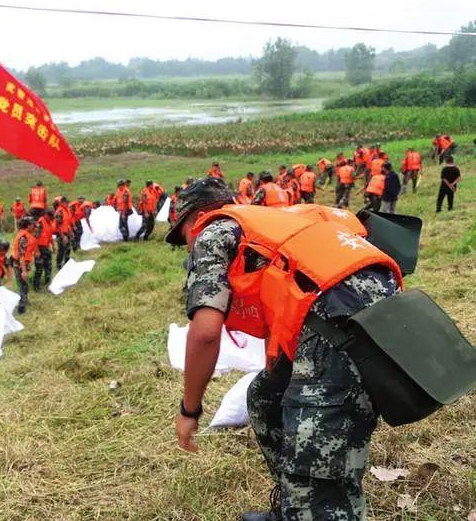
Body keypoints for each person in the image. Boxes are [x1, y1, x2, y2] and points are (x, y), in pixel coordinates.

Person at [166, 178, 400, 521]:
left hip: (338, 325)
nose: (187, 244)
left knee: (318, 467)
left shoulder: (215, 231)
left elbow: (204, 333)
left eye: (183, 231)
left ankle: (313, 504)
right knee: (266, 395)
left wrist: (189, 411)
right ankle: (294, 504)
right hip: (367, 311)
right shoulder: (271, 224)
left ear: (198, 215)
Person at [11, 216, 38, 313]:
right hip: (19, 264)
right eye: (32, 224)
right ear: (28, 226)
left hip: (22, 263)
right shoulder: (23, 237)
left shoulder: (26, 234)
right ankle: (21, 307)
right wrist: (23, 271)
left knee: (24, 285)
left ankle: (24, 301)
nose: (33, 226)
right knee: (23, 286)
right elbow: (21, 255)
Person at [33, 209, 56, 291]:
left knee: (48, 265)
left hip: (46, 247)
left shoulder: (49, 222)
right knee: (39, 268)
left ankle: (47, 281)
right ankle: (36, 285)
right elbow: (34, 238)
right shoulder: (40, 223)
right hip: (39, 248)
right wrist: (37, 251)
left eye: (52, 217)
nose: (51, 218)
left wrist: (53, 246)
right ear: (46, 215)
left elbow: (50, 236)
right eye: (49, 216)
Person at [54, 199, 73, 269]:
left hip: (67, 232)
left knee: (68, 249)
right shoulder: (60, 212)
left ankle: (67, 263)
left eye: (68, 203)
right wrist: (63, 236)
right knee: (61, 250)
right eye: (66, 203)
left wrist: (71, 232)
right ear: (62, 203)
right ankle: (59, 265)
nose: (67, 204)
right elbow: (58, 225)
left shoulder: (66, 210)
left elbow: (67, 223)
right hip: (61, 234)